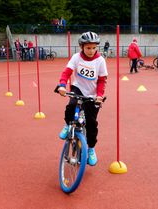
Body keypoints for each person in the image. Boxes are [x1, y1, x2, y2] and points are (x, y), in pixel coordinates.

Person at [56, 31, 108, 166]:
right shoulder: (76, 57)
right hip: (78, 88)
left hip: (92, 95)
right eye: (88, 48)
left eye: (94, 48)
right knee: (72, 104)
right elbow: (66, 73)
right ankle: (68, 125)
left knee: (92, 123)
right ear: (82, 47)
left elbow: (102, 81)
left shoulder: (100, 61)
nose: (91, 51)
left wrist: (99, 96)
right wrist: (62, 86)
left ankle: (90, 149)